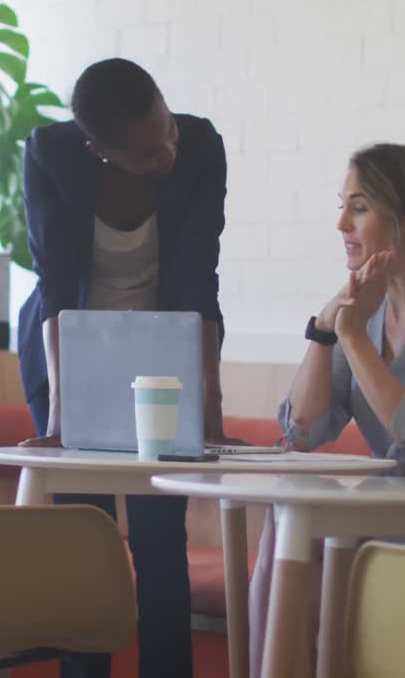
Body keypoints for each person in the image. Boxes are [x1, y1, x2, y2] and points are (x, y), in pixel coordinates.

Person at [247, 142, 405, 677]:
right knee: (286, 521)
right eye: (342, 205)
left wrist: (350, 334)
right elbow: (301, 432)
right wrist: (323, 333)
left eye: (359, 207)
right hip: (386, 511)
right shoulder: (364, 312)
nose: (342, 222)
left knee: (303, 532)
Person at [15, 57, 238, 678]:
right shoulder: (51, 154)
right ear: (99, 150)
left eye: (166, 130)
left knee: (162, 541)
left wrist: (208, 414)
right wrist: (64, 418)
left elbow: (199, 280)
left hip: (160, 355)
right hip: (67, 354)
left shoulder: (199, 148)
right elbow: (55, 287)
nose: (165, 153)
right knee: (85, 541)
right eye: (144, 154)